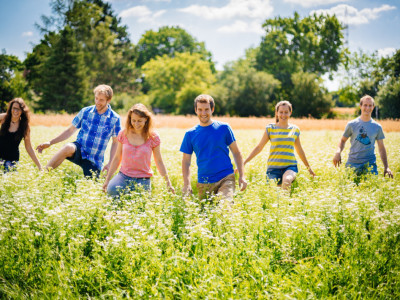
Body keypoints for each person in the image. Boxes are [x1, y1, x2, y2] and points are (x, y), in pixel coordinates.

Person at [36, 84, 121, 177]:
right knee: (68, 147)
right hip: (80, 149)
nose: (97, 102)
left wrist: (110, 164)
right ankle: (43, 175)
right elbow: (70, 130)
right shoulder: (85, 111)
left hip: (94, 159)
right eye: (96, 98)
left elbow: (115, 143)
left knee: (91, 184)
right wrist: (50, 142)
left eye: (101, 100)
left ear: (108, 100)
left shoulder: (115, 118)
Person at [180, 94, 247, 204]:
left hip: (226, 177)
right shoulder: (190, 134)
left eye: (207, 109)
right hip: (204, 182)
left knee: (225, 207)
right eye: (200, 109)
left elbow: (236, 152)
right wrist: (187, 184)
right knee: (207, 217)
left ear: (212, 109)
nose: (203, 113)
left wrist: (242, 176)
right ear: (196, 110)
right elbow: (186, 161)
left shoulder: (224, 128)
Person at [103, 104, 175, 196]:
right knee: (111, 189)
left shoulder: (153, 137)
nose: (136, 124)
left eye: (140, 121)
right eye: (134, 120)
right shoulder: (123, 134)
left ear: (146, 119)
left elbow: (159, 161)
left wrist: (168, 182)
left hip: (143, 179)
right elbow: (117, 158)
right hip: (123, 176)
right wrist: (107, 180)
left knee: (141, 206)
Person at [243, 100, 315, 190]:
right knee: (275, 195)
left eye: (286, 112)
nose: (283, 115)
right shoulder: (270, 128)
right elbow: (259, 147)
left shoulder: (295, 129)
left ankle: (286, 204)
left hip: (290, 166)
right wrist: (244, 162)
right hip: (273, 169)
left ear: (290, 113)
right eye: (281, 112)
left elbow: (299, 150)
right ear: (277, 113)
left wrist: (309, 169)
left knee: (287, 180)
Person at [333, 95, 393, 178]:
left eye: (370, 105)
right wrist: (338, 152)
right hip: (352, 165)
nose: (367, 108)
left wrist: (387, 167)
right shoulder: (351, 124)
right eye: (365, 105)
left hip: (370, 166)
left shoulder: (377, 127)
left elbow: (381, 147)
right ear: (360, 106)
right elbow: (342, 140)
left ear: (373, 107)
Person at [0, 98, 42, 172]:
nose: (15, 111)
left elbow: (28, 147)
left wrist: (39, 166)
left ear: (22, 111)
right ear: (10, 109)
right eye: (14, 108)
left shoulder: (24, 127)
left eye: (18, 109)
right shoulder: (4, 118)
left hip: (12, 161)